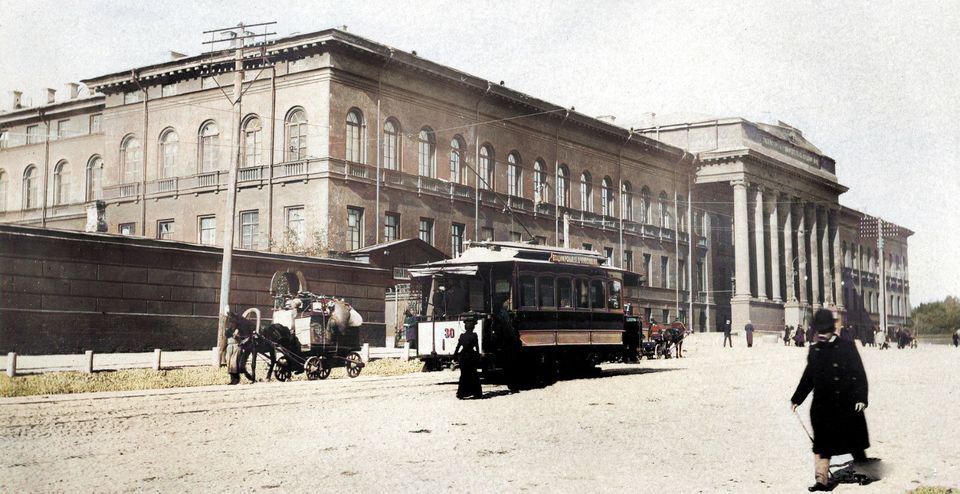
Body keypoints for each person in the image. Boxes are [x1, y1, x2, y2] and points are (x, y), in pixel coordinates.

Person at [791, 309, 871, 491]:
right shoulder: (814, 350)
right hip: (822, 405)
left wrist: (861, 398)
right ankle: (821, 480)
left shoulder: (847, 347)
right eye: (818, 331)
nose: (821, 334)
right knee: (821, 444)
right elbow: (808, 376)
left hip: (847, 404)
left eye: (824, 331)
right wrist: (797, 398)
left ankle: (864, 473)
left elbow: (859, 374)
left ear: (832, 329)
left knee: (855, 443)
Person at [453, 312, 482, 399]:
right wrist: (478, 356)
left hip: (463, 357)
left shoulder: (462, 336)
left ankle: (462, 393)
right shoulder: (474, 335)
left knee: (463, 376)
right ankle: (476, 393)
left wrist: (455, 356)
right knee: (473, 375)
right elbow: (477, 347)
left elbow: (457, 348)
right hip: (471, 356)